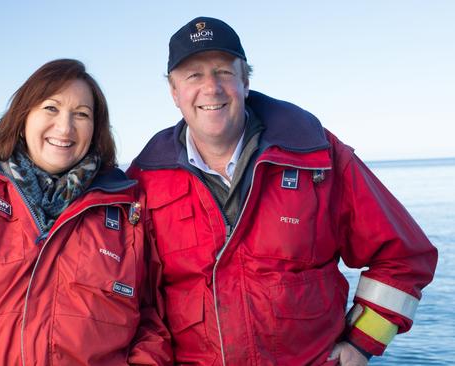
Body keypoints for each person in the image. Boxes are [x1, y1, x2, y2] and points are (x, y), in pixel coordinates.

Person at [128, 16, 437, 365]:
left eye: (224, 72)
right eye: (193, 75)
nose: (211, 87)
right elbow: (133, 301)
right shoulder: (144, 181)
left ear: (245, 81)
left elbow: (405, 257)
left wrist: (361, 344)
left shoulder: (319, 157)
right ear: (174, 92)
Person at [0, 59, 172, 365]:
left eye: (81, 114)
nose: (65, 127)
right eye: (51, 108)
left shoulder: (127, 215)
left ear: (96, 129)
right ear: (24, 116)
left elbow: (151, 322)